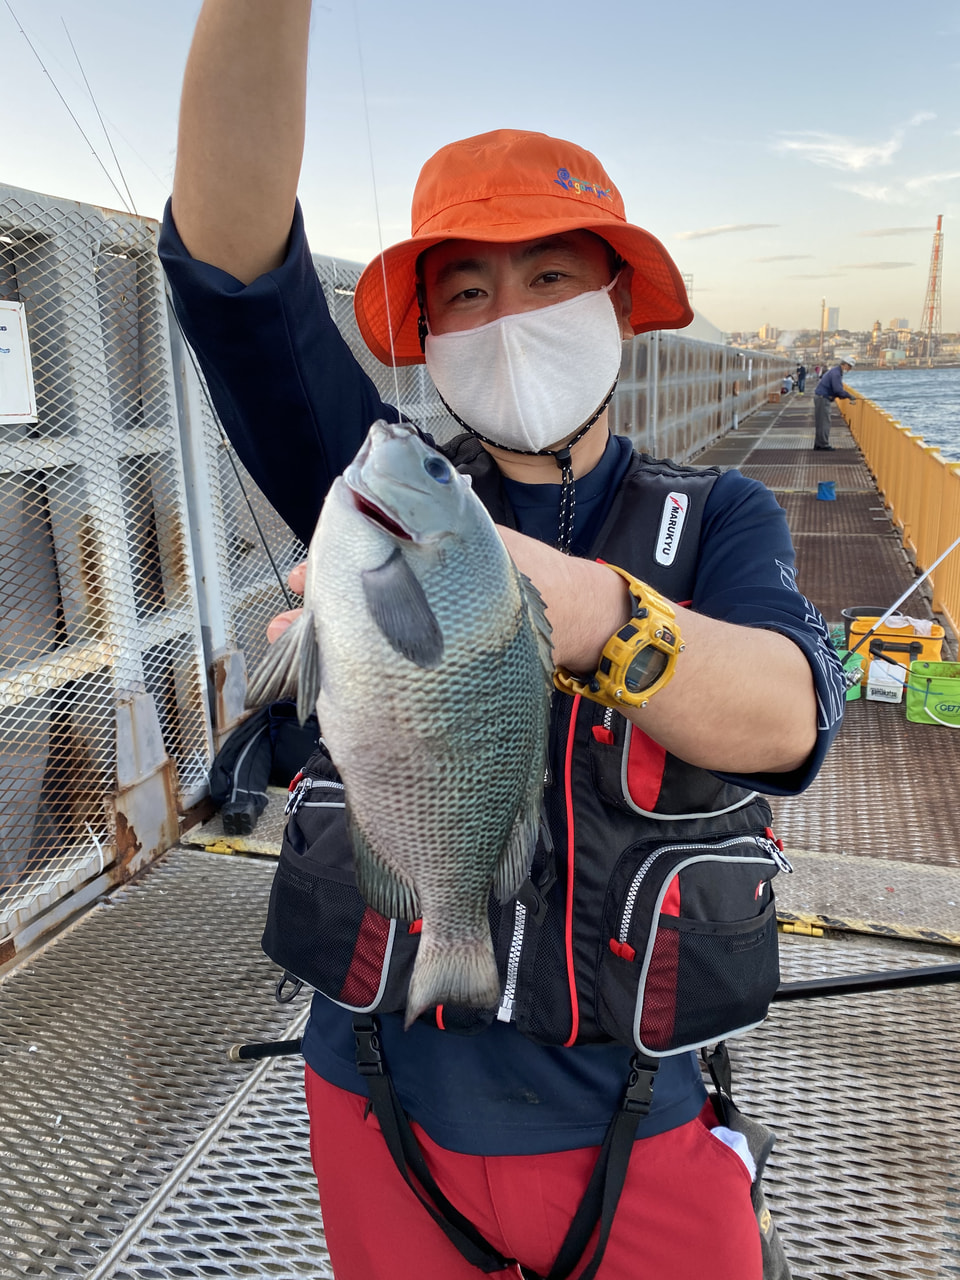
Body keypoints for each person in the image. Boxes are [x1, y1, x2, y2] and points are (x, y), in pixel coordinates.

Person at [161, 4, 846, 1276]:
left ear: (618, 303)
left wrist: (590, 612)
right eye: (464, 290)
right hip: (379, 1097)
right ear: (425, 330)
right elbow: (232, 261)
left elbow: (792, 715)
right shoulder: (381, 488)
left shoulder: (723, 515)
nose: (507, 313)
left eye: (547, 278)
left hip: (643, 1113)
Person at [812, 358, 857, 450]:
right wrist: (849, 396)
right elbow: (838, 389)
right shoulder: (836, 374)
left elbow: (836, 390)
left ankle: (819, 444)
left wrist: (842, 395)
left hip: (821, 397)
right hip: (823, 398)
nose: (849, 369)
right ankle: (823, 445)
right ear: (844, 365)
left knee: (821, 422)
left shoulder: (834, 371)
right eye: (849, 367)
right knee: (824, 422)